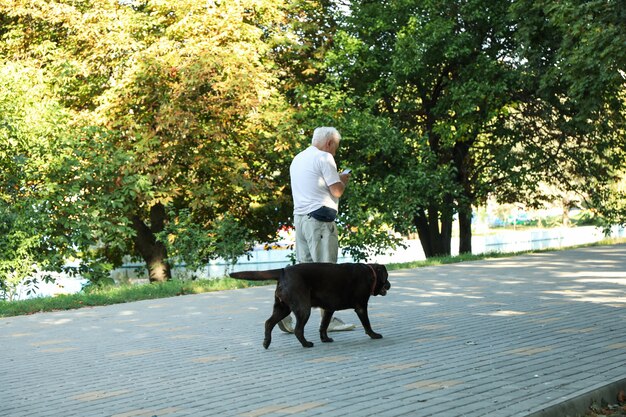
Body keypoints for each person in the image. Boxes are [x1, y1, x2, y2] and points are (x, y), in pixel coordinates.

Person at [278, 126, 355, 333]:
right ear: (329, 143)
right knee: (327, 274)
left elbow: (313, 185)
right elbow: (336, 191)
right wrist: (343, 180)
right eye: (335, 147)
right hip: (319, 222)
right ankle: (328, 321)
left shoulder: (298, 158)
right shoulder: (325, 158)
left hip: (301, 220)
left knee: (305, 276)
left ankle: (284, 315)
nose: (335, 152)